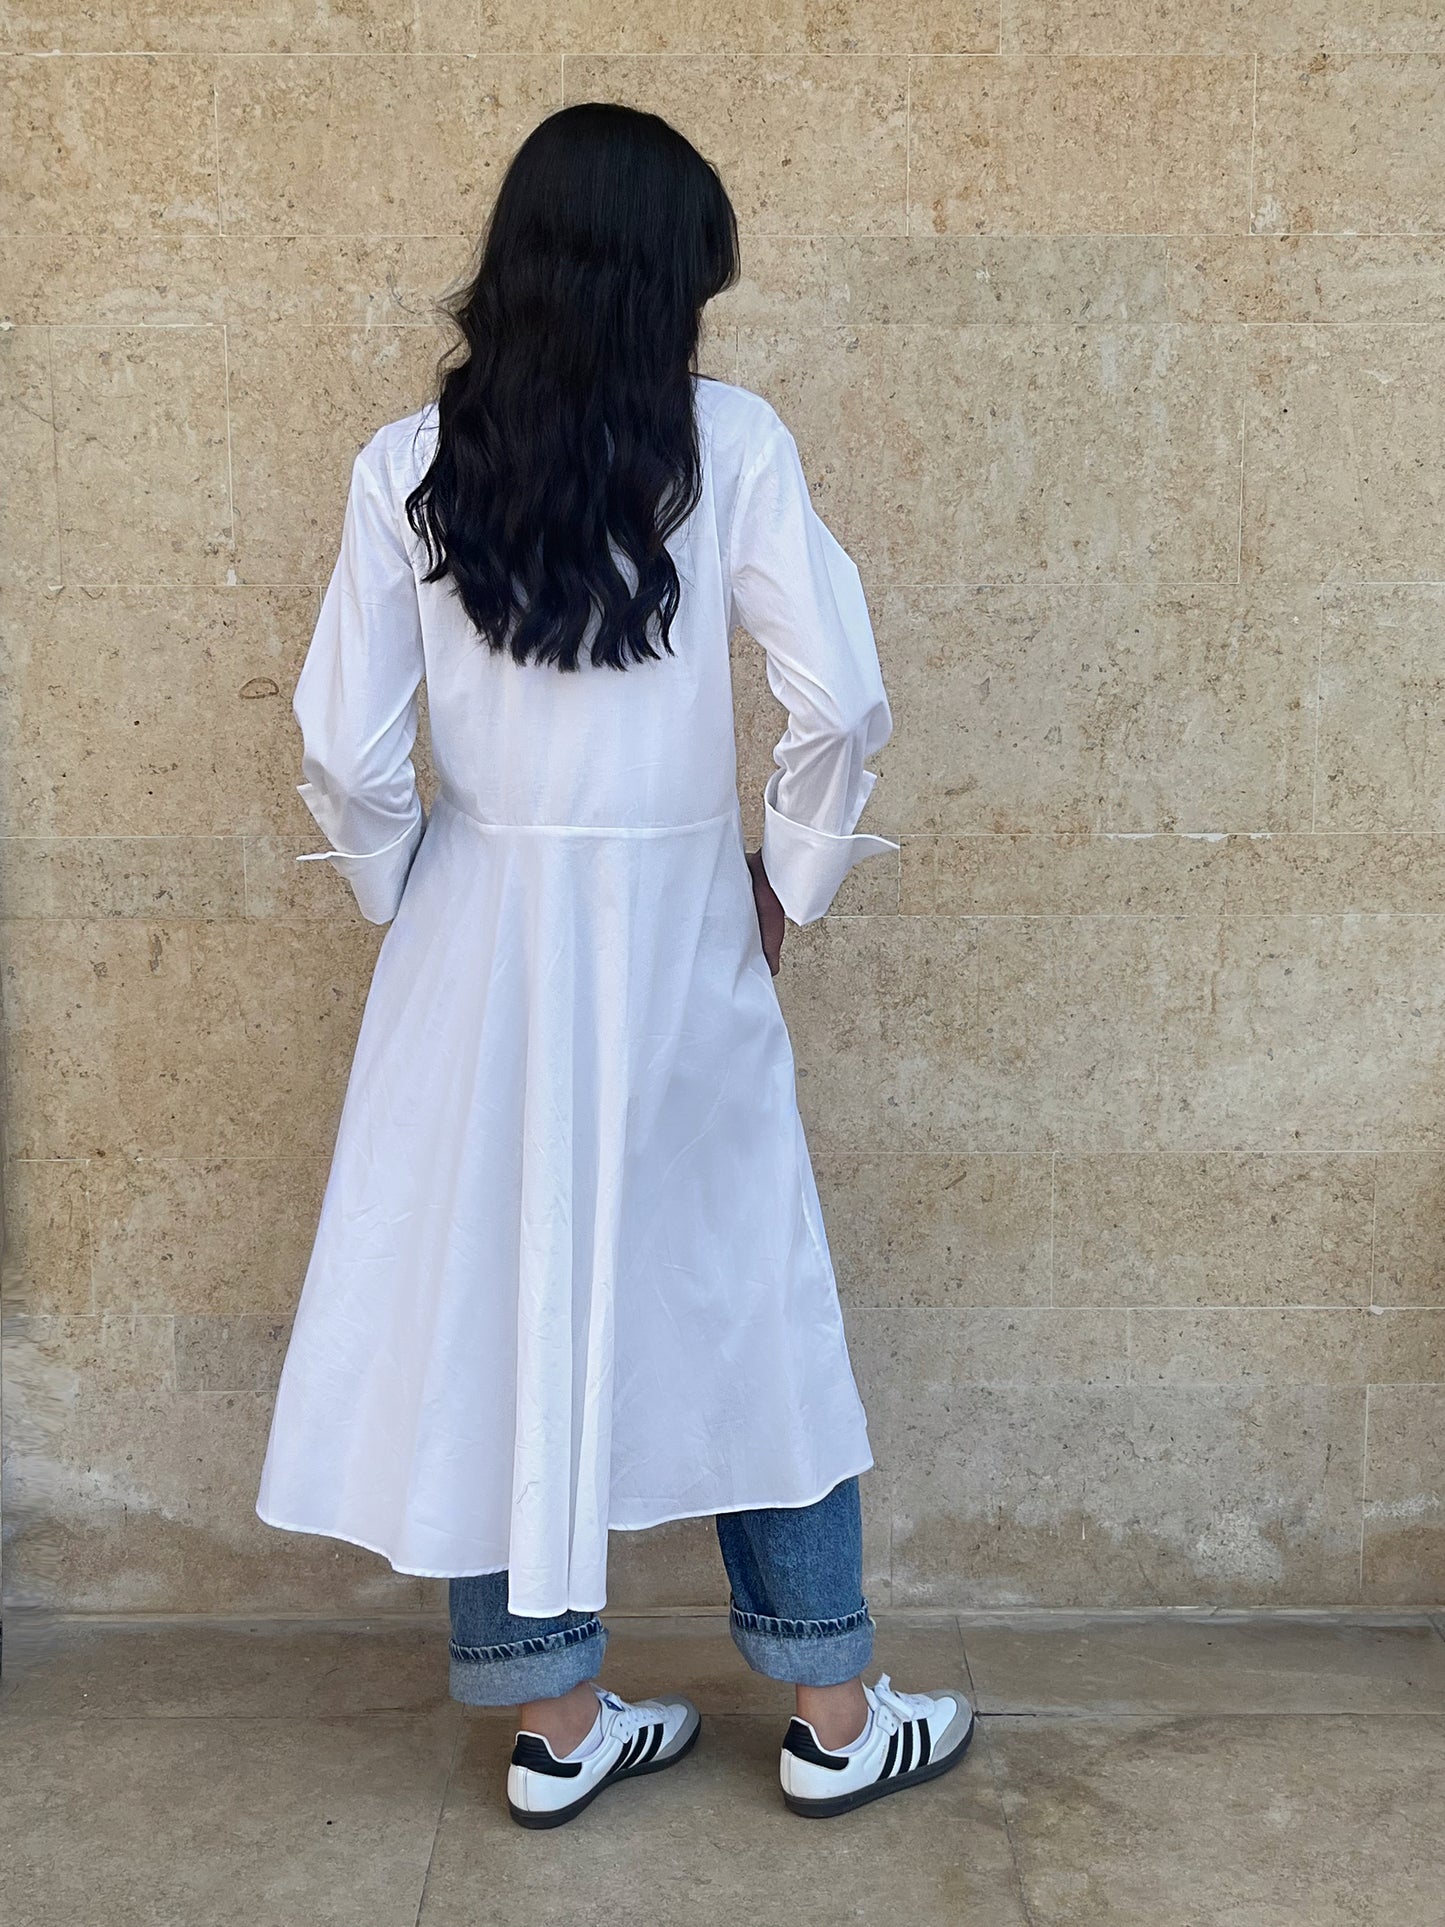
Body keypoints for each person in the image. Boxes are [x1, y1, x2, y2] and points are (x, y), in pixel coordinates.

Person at [255, 100, 974, 1828]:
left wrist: (407, 899)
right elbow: (842, 702)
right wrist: (783, 888)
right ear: (665, 284)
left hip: (472, 936)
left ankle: (556, 1722)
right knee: (748, 1288)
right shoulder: (729, 445)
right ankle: (828, 1703)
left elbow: (346, 757)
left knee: (503, 1297)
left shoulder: (404, 467)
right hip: (674, 936)